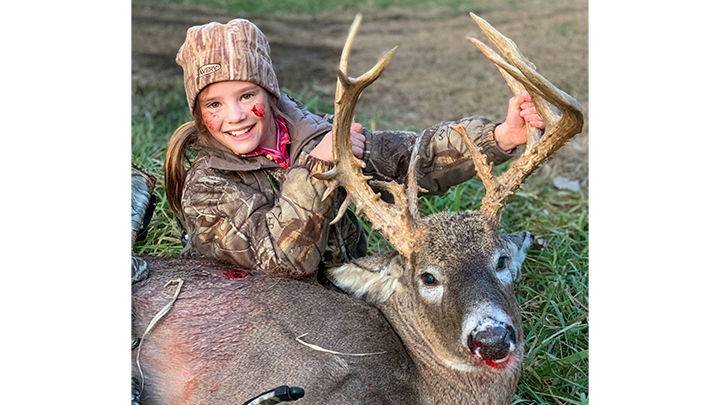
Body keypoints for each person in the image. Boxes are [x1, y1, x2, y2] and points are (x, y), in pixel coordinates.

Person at [164, 18, 544, 280]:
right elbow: (281, 265)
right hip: (259, 317)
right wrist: (319, 167)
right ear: (198, 113)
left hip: (341, 290)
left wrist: (500, 137)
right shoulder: (208, 188)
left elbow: (411, 160)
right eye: (214, 104)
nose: (235, 116)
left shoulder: (317, 135)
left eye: (247, 95)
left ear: (270, 94)